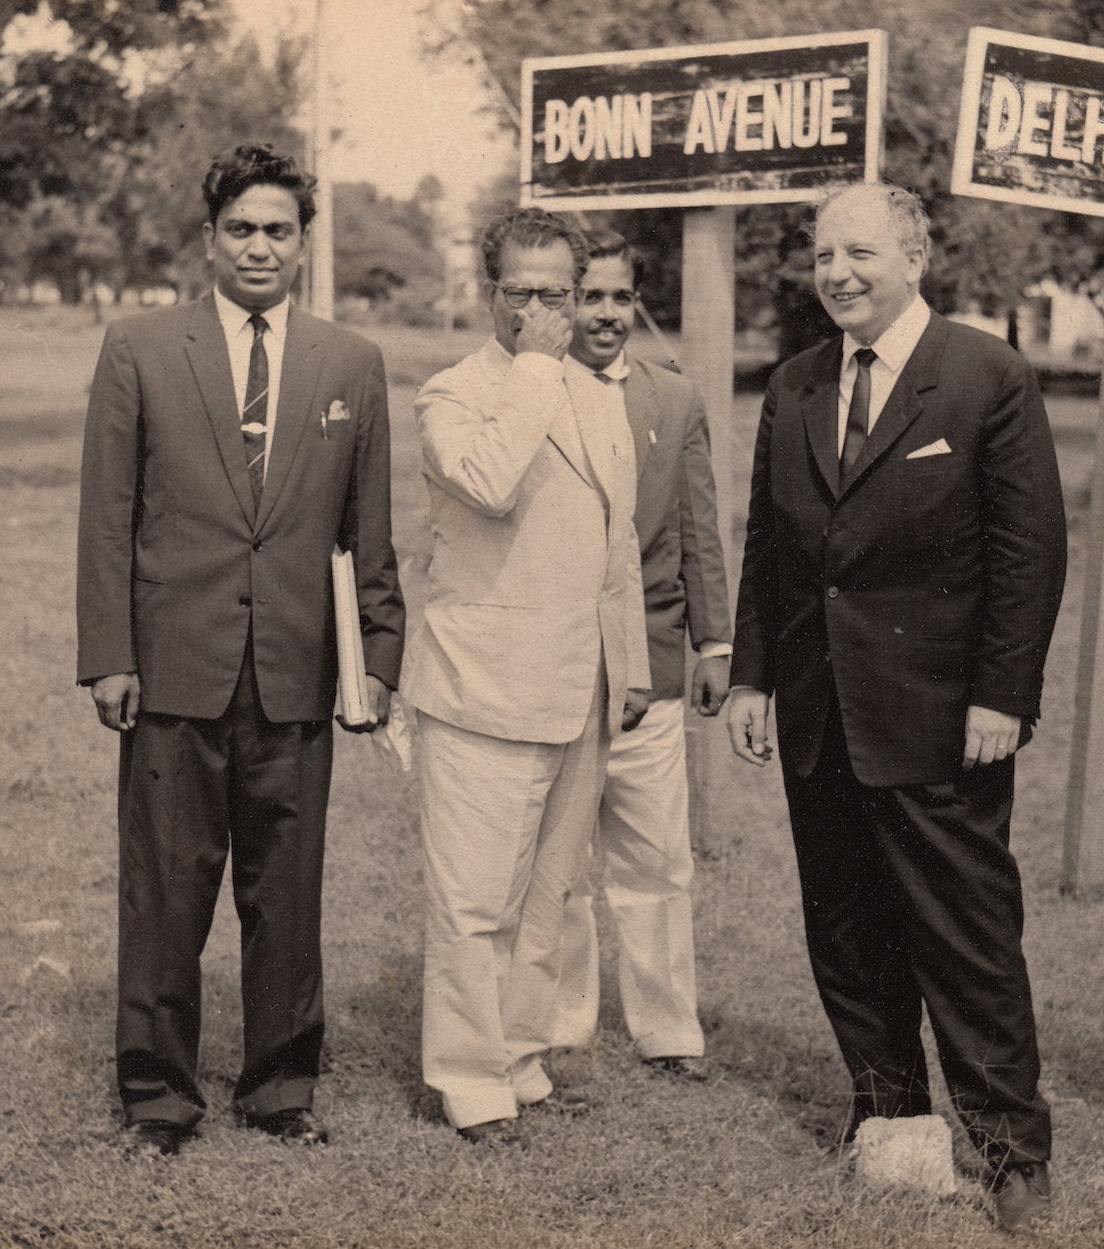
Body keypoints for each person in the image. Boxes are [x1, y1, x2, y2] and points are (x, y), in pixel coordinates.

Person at [725, 182, 1067, 1231]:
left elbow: (1029, 552)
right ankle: (889, 1116)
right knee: (844, 923)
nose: (837, 272)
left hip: (940, 718)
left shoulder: (985, 376)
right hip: (821, 713)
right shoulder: (795, 385)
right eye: (824, 253)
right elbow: (772, 549)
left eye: (861, 252)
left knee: (965, 936)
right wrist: (751, 675)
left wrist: (1002, 697)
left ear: (915, 257)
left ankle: (1012, 1152)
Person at [76, 143, 404, 1156]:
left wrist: (378, 659)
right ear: (208, 238)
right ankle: (158, 1095)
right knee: (167, 889)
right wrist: (110, 655)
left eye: (279, 230)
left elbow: (369, 525)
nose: (260, 247)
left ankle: (281, 1087)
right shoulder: (140, 348)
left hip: (297, 672)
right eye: (241, 229)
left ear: (303, 243)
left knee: (287, 890)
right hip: (175, 664)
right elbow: (107, 516)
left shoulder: (349, 361)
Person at [400, 207, 651, 1148]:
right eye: (524, 292)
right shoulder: (451, 393)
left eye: (562, 292)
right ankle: (468, 1080)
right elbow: (493, 480)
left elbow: (614, 541)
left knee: (549, 891)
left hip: (580, 682)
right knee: (474, 898)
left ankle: (519, 1056)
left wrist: (624, 666)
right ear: (489, 292)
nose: (544, 310)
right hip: (484, 685)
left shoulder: (597, 394)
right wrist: (542, 367)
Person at [550, 233, 733, 1080]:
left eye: (622, 299)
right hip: (552, 668)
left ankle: (668, 1028)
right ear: (563, 302)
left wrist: (714, 641)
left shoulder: (673, 397)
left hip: (653, 666)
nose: (607, 316)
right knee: (560, 858)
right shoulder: (535, 391)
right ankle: (562, 1021)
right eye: (590, 297)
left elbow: (698, 525)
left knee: (656, 858)